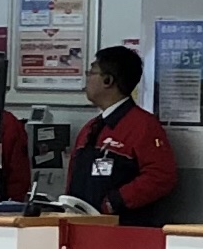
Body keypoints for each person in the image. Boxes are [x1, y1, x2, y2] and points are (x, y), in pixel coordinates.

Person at [63, 44, 179, 224]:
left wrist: (114, 202)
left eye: (91, 72)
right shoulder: (90, 128)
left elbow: (160, 176)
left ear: (108, 80)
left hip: (122, 227)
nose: (87, 78)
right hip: (80, 224)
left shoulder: (143, 125)